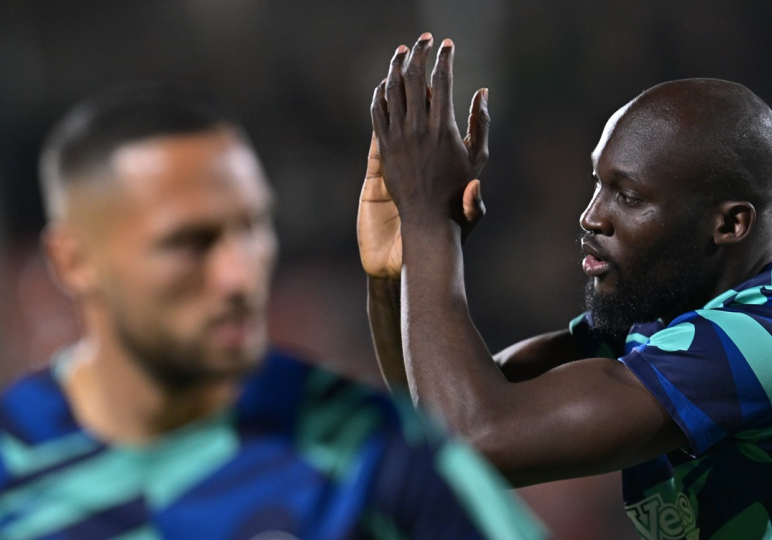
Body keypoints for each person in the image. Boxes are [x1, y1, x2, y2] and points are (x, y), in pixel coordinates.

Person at [359, 33, 772, 539]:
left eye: (628, 195)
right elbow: (442, 423)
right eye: (597, 184)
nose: (590, 217)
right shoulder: (668, 315)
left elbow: (479, 434)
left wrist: (430, 221)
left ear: (729, 223)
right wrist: (399, 272)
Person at [0, 85, 546, 540]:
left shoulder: (369, 453)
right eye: (190, 242)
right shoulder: (14, 462)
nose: (239, 276)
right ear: (73, 261)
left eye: (253, 228)